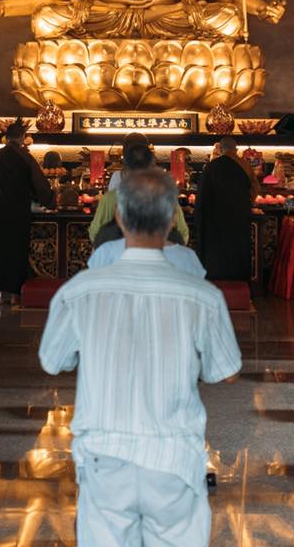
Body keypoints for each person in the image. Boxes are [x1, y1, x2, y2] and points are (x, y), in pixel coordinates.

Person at [39, 167, 242, 544]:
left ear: (118, 216)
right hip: (175, 460)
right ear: (171, 219)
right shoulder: (202, 295)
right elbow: (225, 371)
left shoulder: (81, 290)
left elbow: (53, 360)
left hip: (103, 458)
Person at [0, 120, 53, 304]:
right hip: (18, 213)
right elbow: (40, 185)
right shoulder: (25, 157)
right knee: (16, 252)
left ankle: (0, 295)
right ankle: (16, 295)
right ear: (22, 138)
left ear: (6, 138)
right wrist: (48, 200)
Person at [89, 138, 188, 246]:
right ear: (152, 166)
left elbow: (94, 233)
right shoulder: (166, 197)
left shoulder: (110, 198)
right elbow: (183, 234)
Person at [195, 137, 257, 282]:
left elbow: (202, 194)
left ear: (220, 150)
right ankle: (239, 282)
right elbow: (255, 190)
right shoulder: (245, 166)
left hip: (214, 218)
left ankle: (216, 280)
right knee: (238, 248)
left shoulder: (211, 167)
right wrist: (244, 204)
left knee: (216, 251)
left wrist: (199, 216)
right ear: (236, 150)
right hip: (239, 217)